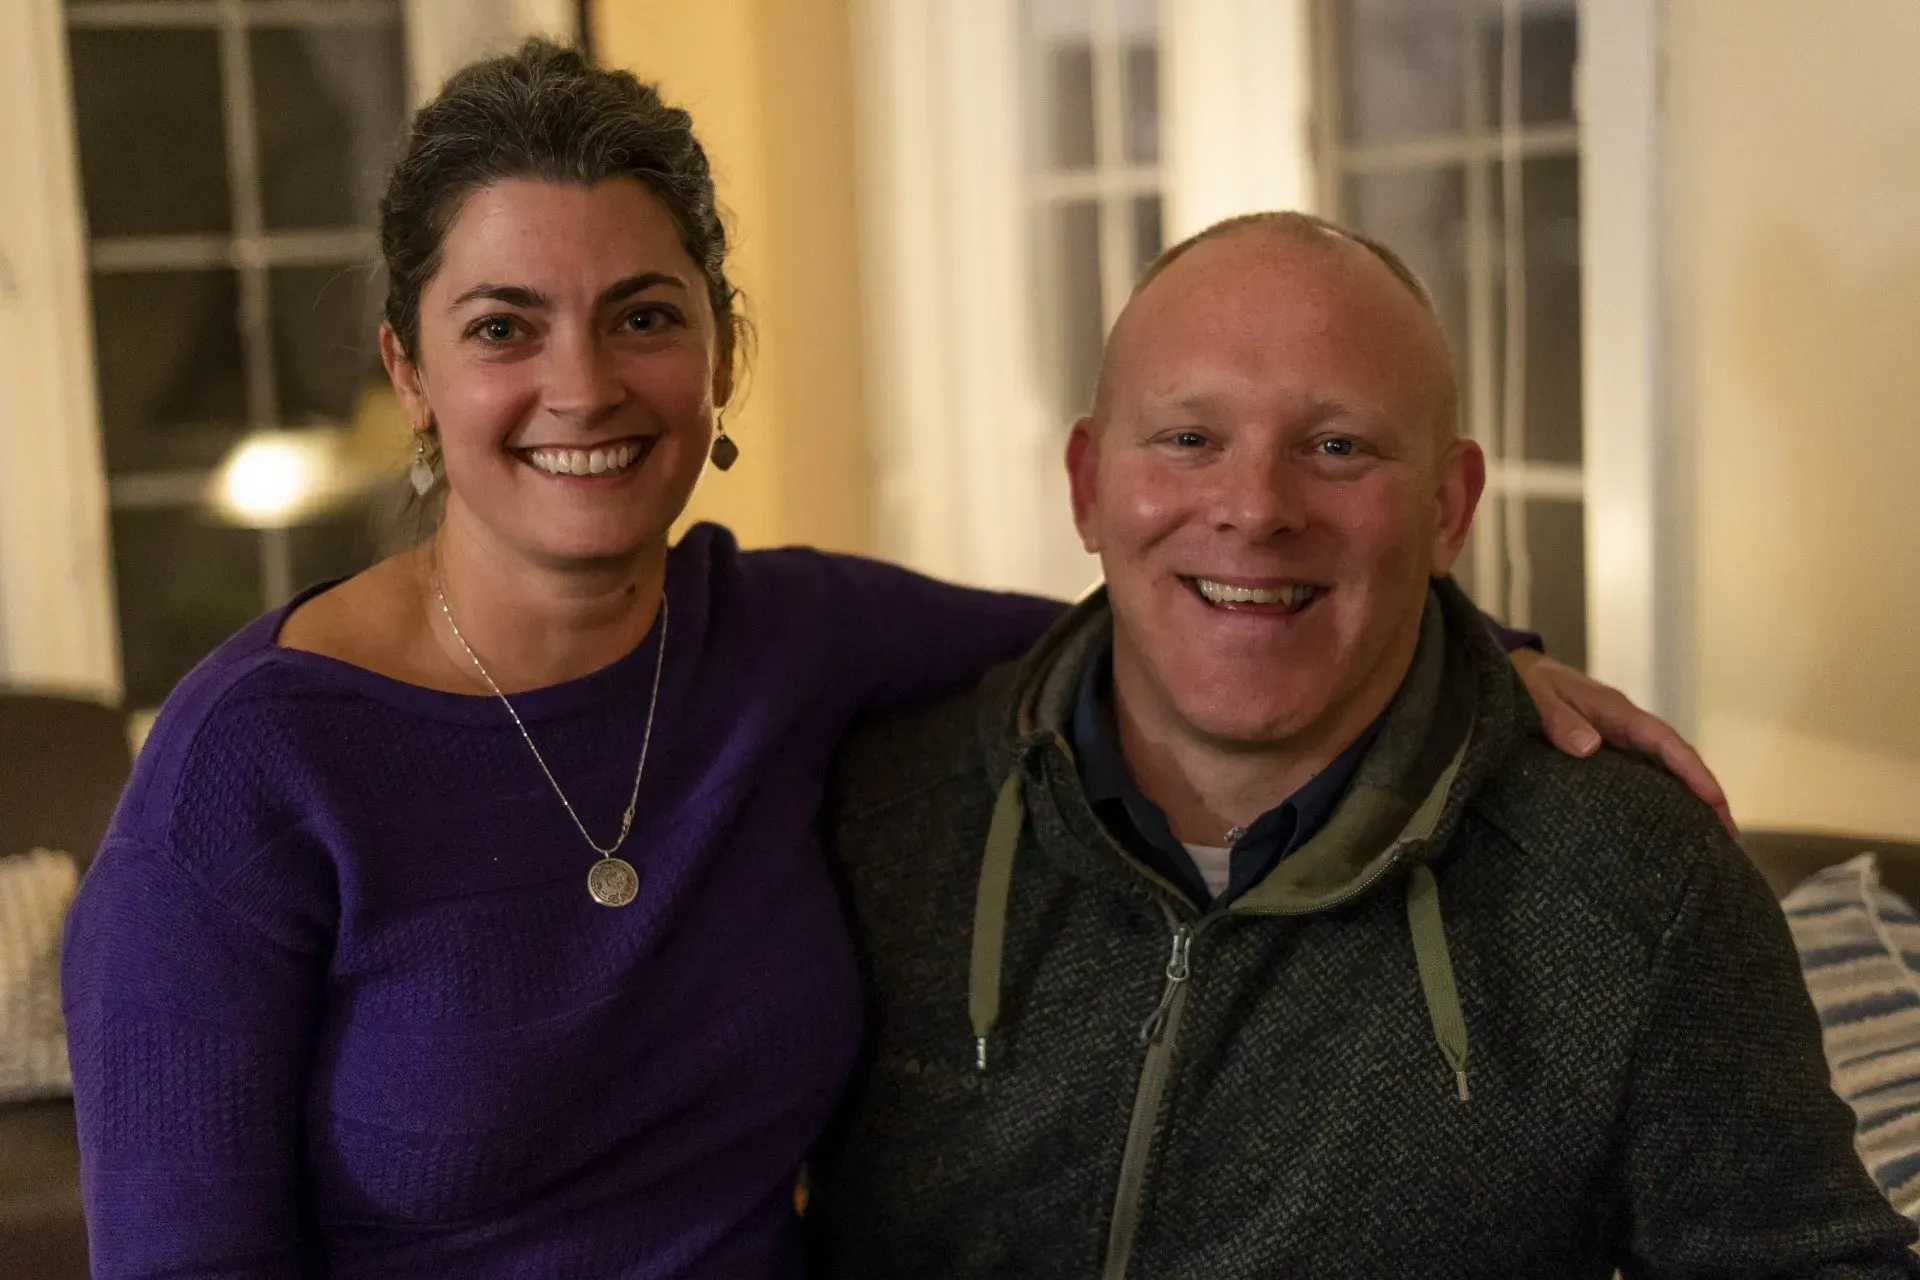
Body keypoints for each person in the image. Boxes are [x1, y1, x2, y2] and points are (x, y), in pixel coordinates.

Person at [61, 44, 1719, 1279]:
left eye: (644, 313)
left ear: (714, 346)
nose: (584, 384)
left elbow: (1181, 611)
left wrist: (1482, 655)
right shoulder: (248, 777)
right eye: (505, 326)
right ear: (408, 371)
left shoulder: (791, 639)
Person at [806, 212, 1917, 1278]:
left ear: (1448, 505)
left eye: (1337, 446)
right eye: (1190, 438)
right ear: (1091, 484)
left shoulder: (1639, 883)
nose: (1255, 506)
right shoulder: (873, 816)